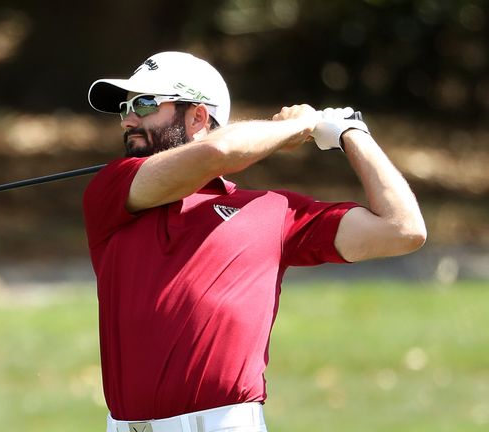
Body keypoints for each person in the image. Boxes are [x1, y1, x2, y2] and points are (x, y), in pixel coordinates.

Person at [82, 51, 426, 432]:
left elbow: (403, 229)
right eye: (126, 108)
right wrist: (300, 126)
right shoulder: (112, 190)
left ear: (197, 116)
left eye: (145, 104)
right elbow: (220, 151)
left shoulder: (274, 211)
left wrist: (352, 134)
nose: (129, 118)